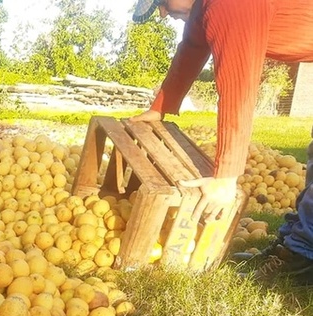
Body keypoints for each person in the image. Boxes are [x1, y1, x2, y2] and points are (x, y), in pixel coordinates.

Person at [130, 0, 313, 283]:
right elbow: (190, 50)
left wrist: (226, 177)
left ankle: (302, 255)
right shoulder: (202, 10)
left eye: (162, 1)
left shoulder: (227, 4)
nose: (163, 12)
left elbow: (238, 85)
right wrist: (160, 108)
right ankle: (296, 243)